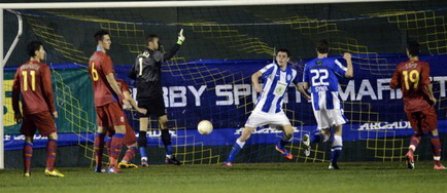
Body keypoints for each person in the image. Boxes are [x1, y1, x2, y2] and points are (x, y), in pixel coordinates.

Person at [224, 48, 310, 167]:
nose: (280, 58)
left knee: (289, 133)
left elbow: (298, 85)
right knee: (245, 135)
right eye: (279, 56)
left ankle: (280, 145)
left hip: (277, 112)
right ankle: (229, 160)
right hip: (260, 111)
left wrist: (306, 96)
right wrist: (257, 85)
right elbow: (255, 75)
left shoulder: (292, 73)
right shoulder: (272, 68)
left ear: (288, 59)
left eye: (283, 56)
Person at [129, 29, 185, 166]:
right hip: (154, 93)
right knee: (164, 123)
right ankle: (169, 155)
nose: (158, 44)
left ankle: (143, 159)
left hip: (142, 94)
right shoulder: (154, 54)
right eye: (157, 42)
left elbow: (132, 74)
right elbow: (168, 56)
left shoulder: (139, 56)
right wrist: (179, 42)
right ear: (150, 43)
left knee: (143, 127)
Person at [298, 40, 353, 170]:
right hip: (331, 100)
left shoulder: (308, 65)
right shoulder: (332, 62)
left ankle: (310, 140)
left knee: (326, 133)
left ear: (316, 50)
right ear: (328, 50)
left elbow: (305, 86)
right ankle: (333, 163)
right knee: (338, 130)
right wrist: (348, 59)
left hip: (317, 103)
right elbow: (349, 74)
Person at [390, 41, 445, 170]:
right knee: (433, 131)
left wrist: (403, 84)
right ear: (419, 52)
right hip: (423, 104)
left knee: (418, 131)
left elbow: (392, 85)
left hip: (409, 106)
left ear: (408, 52)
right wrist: (431, 97)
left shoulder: (400, 66)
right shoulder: (423, 65)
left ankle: (410, 151)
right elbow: (426, 83)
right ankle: (437, 164)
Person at [12, 41, 64, 177]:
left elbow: (14, 92)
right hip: (40, 108)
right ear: (36, 52)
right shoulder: (43, 68)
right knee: (53, 135)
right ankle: (50, 168)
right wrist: (53, 109)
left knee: (28, 138)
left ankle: (27, 172)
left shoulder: (21, 68)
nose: (44, 52)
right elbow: (48, 91)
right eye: (42, 50)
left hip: (27, 110)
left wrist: (17, 111)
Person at [88, 30, 126, 173]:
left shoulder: (91, 59)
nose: (110, 42)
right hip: (108, 98)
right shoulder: (104, 58)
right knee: (120, 130)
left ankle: (97, 166)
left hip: (97, 99)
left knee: (101, 130)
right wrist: (120, 95)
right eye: (107, 40)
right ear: (100, 42)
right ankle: (112, 165)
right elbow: (110, 79)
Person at [116, 79, 147, 168]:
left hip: (103, 116)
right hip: (117, 116)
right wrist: (136, 108)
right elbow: (127, 99)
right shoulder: (120, 82)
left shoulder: (101, 83)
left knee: (109, 138)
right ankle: (124, 161)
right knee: (133, 145)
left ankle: (108, 164)